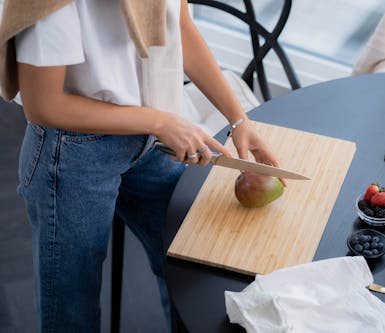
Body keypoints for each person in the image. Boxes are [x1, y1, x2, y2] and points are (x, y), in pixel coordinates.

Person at [0, 0, 281, 331]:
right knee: (71, 310)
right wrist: (160, 122)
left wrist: (238, 120)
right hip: (73, 153)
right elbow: (43, 106)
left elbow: (180, 25)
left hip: (150, 137)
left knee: (185, 263)